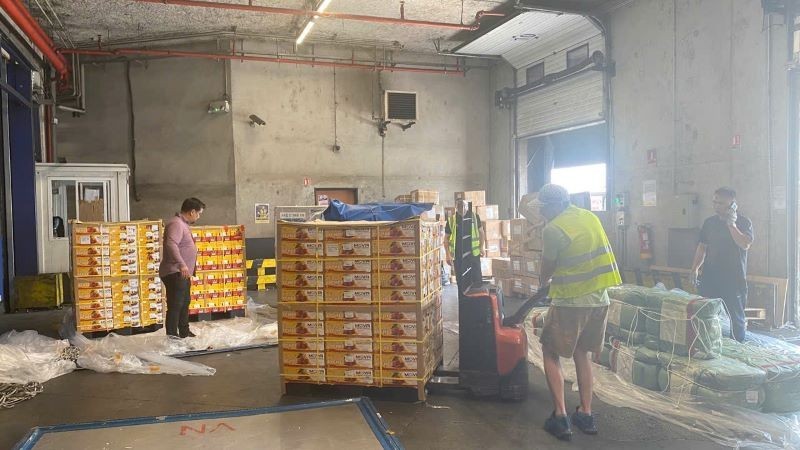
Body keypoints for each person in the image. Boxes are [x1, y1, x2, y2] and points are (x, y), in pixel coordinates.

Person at [536, 184, 621, 441]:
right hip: (599, 299)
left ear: (553, 206)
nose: (542, 214)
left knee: (550, 351)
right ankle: (585, 412)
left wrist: (541, 282)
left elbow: (546, 268)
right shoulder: (589, 216)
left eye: (543, 208)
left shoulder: (553, 229)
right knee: (582, 352)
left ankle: (560, 417)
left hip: (571, 301)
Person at [690, 187, 753, 342]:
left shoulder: (744, 222)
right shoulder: (709, 223)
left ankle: (738, 347)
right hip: (710, 277)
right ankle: (705, 344)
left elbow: (744, 244)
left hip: (733, 279)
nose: (716, 205)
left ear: (732, 204)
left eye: (721, 203)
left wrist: (731, 225)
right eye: (714, 202)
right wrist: (695, 268)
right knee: (704, 313)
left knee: (735, 317)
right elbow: (702, 246)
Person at [160, 197, 205, 338]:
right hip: (175, 272)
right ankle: (172, 336)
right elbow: (171, 245)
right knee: (175, 305)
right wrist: (182, 264)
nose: (198, 216)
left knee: (184, 302)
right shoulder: (176, 224)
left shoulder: (182, 224)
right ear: (192, 212)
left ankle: (184, 331)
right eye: (198, 213)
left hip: (182, 273)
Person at [444, 199, 486, 272]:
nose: (462, 208)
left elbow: (481, 232)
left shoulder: (475, 217)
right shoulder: (451, 220)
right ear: (456, 207)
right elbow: (446, 239)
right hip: (458, 254)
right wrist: (447, 255)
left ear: (466, 206)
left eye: (463, 206)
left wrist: (481, 247)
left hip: (473, 254)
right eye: (459, 206)